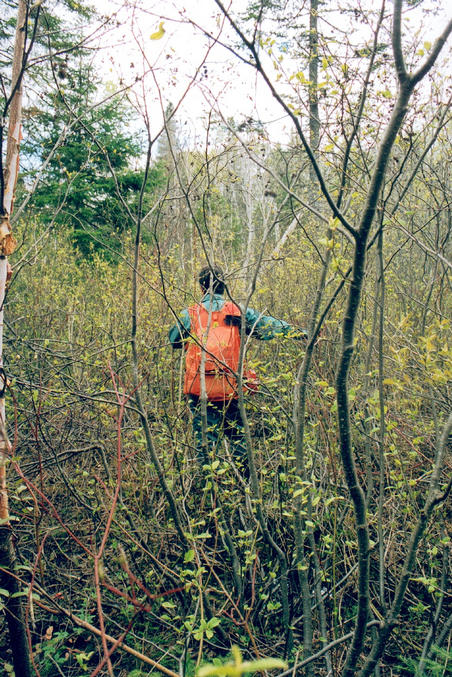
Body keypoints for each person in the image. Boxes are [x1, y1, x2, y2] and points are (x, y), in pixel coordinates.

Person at [169, 265, 307, 469]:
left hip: (200, 392)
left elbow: (174, 340)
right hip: (231, 387)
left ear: (201, 287)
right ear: (224, 286)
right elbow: (268, 326)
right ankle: (245, 487)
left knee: (205, 446)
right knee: (238, 440)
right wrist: (301, 333)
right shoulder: (237, 311)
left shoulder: (190, 314)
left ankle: (210, 492)